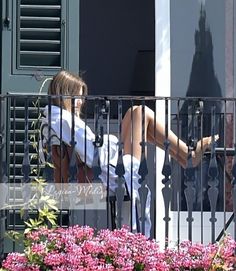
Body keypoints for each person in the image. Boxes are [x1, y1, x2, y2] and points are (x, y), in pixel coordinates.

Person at [41, 70, 218, 237]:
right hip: (106, 171)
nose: (80, 102)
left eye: (81, 97)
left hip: (104, 166)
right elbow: (91, 153)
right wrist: (111, 142)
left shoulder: (55, 120)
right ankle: (188, 155)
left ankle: (187, 156)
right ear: (64, 94)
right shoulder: (64, 120)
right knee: (140, 112)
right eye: (76, 97)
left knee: (137, 116)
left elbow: (86, 149)